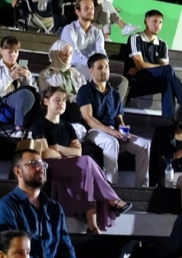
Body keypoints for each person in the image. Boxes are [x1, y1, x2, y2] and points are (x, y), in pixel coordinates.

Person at [31, 86, 130, 234]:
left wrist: (57, 147)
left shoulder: (67, 126)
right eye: (57, 100)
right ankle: (112, 200)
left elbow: (78, 151)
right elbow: (45, 152)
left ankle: (93, 227)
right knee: (88, 162)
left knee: (87, 170)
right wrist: (66, 153)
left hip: (69, 165)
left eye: (64, 100)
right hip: (50, 167)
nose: (61, 103)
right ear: (46, 101)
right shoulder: (40, 124)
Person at [79, 53, 152, 188]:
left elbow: (119, 118)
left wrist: (123, 130)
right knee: (111, 142)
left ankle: (142, 187)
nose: (104, 70)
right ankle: (111, 187)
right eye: (100, 67)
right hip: (94, 131)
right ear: (91, 71)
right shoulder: (85, 90)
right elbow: (87, 118)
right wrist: (110, 131)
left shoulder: (115, 94)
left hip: (113, 131)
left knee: (144, 145)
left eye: (106, 67)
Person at [125, 10, 182, 117]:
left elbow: (160, 67)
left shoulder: (163, 44)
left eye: (160, 22)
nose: (157, 25)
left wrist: (148, 65)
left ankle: (169, 120)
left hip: (153, 81)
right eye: (154, 21)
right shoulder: (135, 38)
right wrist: (157, 67)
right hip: (137, 80)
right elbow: (140, 66)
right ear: (146, 22)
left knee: (167, 82)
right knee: (167, 70)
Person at [0, 36, 39, 139]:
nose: (13, 55)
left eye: (16, 52)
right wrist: (9, 78)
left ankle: (34, 131)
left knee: (36, 96)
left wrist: (27, 79)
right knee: (25, 93)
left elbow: (34, 92)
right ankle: (19, 128)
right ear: (1, 51)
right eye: (10, 52)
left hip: (21, 105)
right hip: (0, 105)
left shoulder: (21, 69)